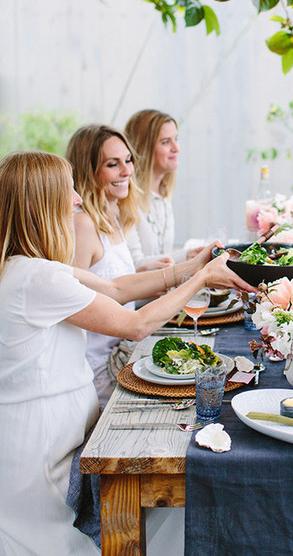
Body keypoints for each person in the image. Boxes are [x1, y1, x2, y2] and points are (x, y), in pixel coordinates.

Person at [0, 150, 254, 556]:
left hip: (50, 435)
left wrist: (193, 267)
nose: (78, 199)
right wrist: (203, 279)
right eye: (68, 190)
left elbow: (117, 288)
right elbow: (135, 324)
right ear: (41, 204)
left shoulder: (26, 267)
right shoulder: (38, 278)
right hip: (41, 446)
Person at [66, 124, 208, 405]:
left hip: (128, 351)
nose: (127, 171)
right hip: (100, 367)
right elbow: (75, 304)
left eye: (128, 160)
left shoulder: (114, 215)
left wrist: (140, 277)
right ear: (88, 171)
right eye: (112, 164)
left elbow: (106, 285)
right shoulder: (83, 224)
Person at [124, 109, 198, 267]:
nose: (176, 148)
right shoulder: (126, 200)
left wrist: (191, 255)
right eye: (166, 142)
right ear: (144, 149)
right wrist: (187, 255)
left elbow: (164, 255)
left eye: (176, 139)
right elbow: (134, 265)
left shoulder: (163, 196)